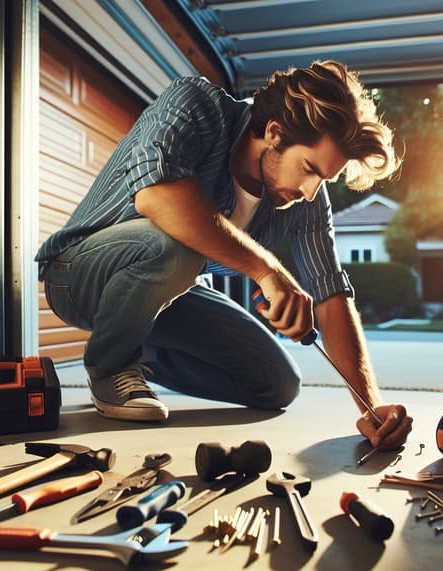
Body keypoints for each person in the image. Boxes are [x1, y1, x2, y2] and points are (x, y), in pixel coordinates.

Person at [36, 60, 412, 450]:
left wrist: (372, 407)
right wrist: (267, 271)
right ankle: (110, 366)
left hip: (165, 296)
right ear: (274, 132)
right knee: (179, 241)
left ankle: (135, 351)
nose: (310, 191)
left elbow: (331, 294)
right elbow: (157, 196)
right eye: (308, 169)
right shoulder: (196, 104)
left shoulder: (306, 201)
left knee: (277, 383)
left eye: (323, 180)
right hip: (77, 274)